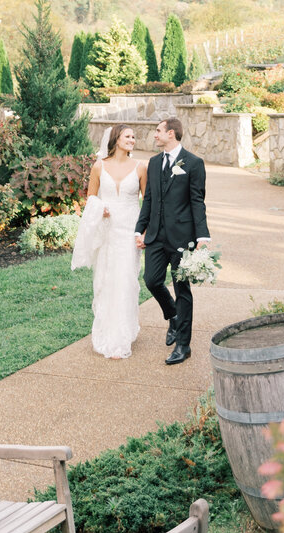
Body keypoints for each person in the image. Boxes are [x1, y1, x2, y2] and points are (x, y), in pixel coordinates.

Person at [135, 117, 209, 366]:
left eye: (158, 131)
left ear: (171, 133)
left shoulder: (194, 163)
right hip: (156, 236)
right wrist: (140, 230)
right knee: (152, 280)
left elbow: (197, 201)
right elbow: (149, 200)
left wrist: (202, 236)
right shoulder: (154, 163)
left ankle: (183, 346)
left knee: (182, 290)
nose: (154, 135)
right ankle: (173, 317)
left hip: (182, 238)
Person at [71, 125, 148, 359]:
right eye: (128, 136)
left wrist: (144, 233)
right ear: (116, 139)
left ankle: (122, 337)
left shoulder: (141, 167)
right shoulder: (99, 166)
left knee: (125, 279)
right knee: (106, 279)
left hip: (129, 230)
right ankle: (106, 331)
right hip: (108, 231)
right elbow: (90, 198)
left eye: (134, 137)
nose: (132, 140)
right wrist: (100, 209)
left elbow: (149, 202)